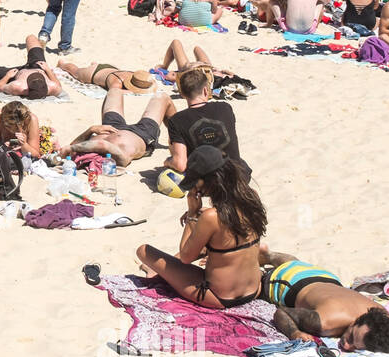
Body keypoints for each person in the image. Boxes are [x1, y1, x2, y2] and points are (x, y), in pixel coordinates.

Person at [135, 146, 267, 309]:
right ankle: (161, 273)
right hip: (254, 289)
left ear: (208, 182)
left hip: (219, 297)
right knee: (213, 246)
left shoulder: (211, 217)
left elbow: (186, 257)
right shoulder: (251, 196)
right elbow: (228, 229)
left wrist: (192, 213)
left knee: (144, 251)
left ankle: (155, 273)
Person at [260, 255, 389, 353]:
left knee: (290, 261)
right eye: (351, 336)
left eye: (355, 346)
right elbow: (282, 312)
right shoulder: (326, 322)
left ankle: (272, 255)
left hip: (327, 277)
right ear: (355, 322)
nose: (347, 346)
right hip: (287, 279)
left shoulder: (388, 323)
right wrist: (295, 332)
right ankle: (267, 257)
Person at [164, 62, 247, 175]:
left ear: (182, 94)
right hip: (237, 175)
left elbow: (180, 165)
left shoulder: (177, 120)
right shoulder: (225, 107)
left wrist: (168, 162)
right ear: (205, 91)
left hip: (208, 182)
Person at [62, 86, 174, 168]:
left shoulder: (83, 149)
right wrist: (71, 148)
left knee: (114, 90)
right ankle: (180, 142)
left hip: (112, 128)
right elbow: (102, 145)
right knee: (162, 97)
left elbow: (73, 145)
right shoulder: (120, 156)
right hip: (142, 134)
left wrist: (91, 130)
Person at [0, 34, 62, 98]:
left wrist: (7, 76)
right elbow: (58, 84)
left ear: (27, 88)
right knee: (31, 38)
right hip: (38, 66)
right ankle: (40, 54)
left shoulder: (18, 87)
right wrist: (48, 70)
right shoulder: (53, 87)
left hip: (16, 73)